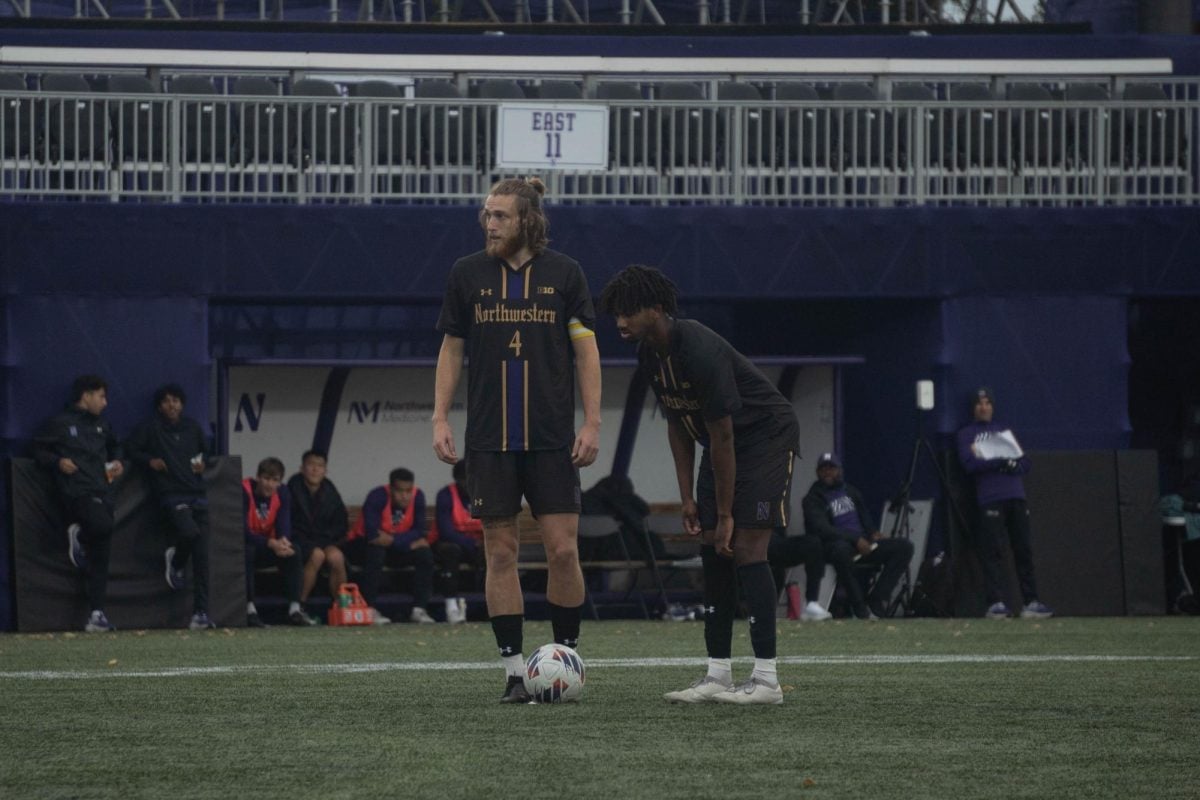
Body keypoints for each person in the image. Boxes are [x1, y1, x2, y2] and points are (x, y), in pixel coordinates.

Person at [432, 176, 601, 704]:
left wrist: (592, 422)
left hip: (552, 439)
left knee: (563, 551)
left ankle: (564, 659)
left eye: (500, 215)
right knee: (500, 553)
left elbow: (586, 353)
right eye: (486, 214)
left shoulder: (565, 273)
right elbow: (452, 350)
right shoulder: (467, 274)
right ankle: (512, 672)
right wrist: (439, 417)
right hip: (490, 439)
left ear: (527, 219)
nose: (489, 223)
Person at [600, 264, 797, 706]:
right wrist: (688, 496)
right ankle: (717, 674)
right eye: (615, 313)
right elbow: (677, 423)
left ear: (656, 308)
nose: (619, 322)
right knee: (711, 548)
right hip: (720, 443)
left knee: (745, 547)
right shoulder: (649, 354)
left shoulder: (699, 349)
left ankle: (766, 681)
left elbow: (723, 435)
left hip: (764, 436)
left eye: (628, 311)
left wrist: (727, 514)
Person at [32, 374, 124, 633]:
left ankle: (96, 613)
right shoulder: (60, 424)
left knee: (102, 552)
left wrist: (118, 462)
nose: (105, 403)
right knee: (102, 526)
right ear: (86, 395)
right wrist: (57, 462)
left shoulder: (103, 426)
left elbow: (118, 448)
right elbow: (38, 450)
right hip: (76, 493)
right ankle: (80, 534)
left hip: (102, 491)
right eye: (101, 396)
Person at [124, 383, 216, 631]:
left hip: (197, 493)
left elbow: (206, 453)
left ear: (182, 404)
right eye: (166, 401)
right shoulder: (150, 428)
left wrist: (202, 463)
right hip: (171, 493)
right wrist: (149, 460)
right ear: (159, 406)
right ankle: (175, 561)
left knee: (202, 557)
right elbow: (130, 449)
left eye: (175, 400)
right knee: (190, 533)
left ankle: (201, 614)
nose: (171, 405)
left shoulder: (193, 427)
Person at [956, 387, 1053, 620]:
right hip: (990, 498)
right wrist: (999, 461)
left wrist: (1010, 465)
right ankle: (995, 602)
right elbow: (969, 464)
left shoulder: (1003, 430)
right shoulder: (966, 434)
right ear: (973, 408)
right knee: (992, 552)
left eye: (988, 403)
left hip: (1015, 496)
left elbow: (1024, 462)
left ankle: (1031, 601)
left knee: (1023, 550)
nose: (984, 407)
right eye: (980, 403)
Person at [801, 452, 914, 620]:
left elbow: (864, 516)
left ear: (839, 470)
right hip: (836, 546)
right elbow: (822, 529)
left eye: (831, 468)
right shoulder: (812, 498)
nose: (827, 472)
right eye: (823, 469)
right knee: (840, 551)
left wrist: (872, 533)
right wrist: (855, 539)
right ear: (817, 473)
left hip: (863, 544)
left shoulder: (850, 491)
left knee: (904, 547)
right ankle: (859, 609)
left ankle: (877, 599)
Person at [348, 468, 435, 625]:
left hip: (395, 548)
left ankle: (419, 609)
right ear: (391, 489)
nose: (405, 495)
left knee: (425, 554)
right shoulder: (377, 496)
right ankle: (369, 608)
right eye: (400, 491)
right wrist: (406, 542)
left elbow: (419, 531)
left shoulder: (418, 496)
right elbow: (372, 535)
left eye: (408, 490)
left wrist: (393, 540)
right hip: (361, 545)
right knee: (376, 552)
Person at [242, 457, 312, 627]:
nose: (270, 485)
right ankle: (249, 609)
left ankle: (294, 609)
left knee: (293, 550)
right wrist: (270, 543)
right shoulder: (243, 491)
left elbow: (284, 525)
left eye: (275, 480)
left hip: (268, 546)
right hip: (248, 545)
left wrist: (283, 543)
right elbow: (241, 531)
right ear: (258, 477)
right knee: (247, 551)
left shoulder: (283, 493)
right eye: (266, 479)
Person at [287, 450, 349, 615]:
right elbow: (288, 522)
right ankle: (299, 606)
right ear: (302, 468)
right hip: (299, 540)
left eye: (320, 466)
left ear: (325, 470)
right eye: (311, 465)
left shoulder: (330, 490)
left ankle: (341, 607)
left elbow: (341, 523)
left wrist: (328, 539)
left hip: (324, 540)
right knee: (317, 555)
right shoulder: (292, 488)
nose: (315, 469)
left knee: (336, 557)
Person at [428, 460, 486, 625]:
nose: (470, 484)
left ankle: (494, 606)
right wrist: (472, 544)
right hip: (447, 545)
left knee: (496, 552)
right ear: (458, 480)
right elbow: (446, 532)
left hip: (476, 546)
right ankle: (451, 606)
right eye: (466, 480)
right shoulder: (446, 495)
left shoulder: (484, 495)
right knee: (451, 551)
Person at [767, 527, 832, 622]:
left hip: (778, 539)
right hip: (760, 540)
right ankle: (763, 610)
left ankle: (812, 602)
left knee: (813, 544)